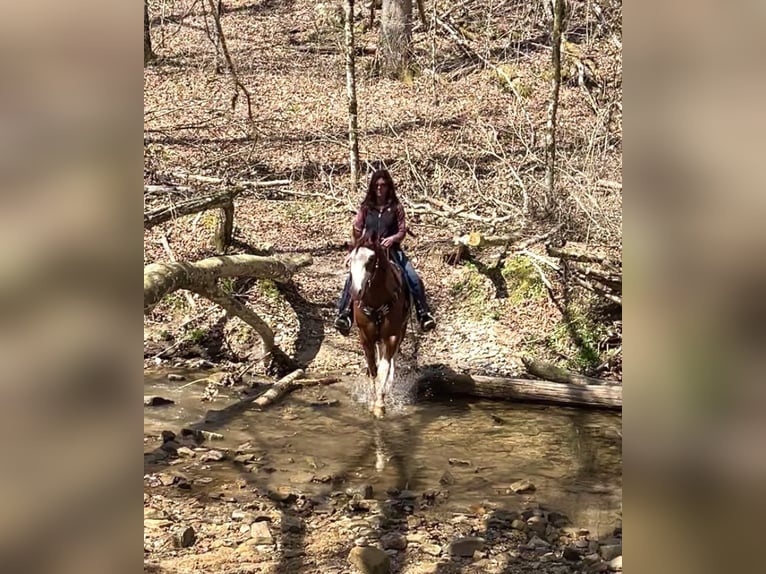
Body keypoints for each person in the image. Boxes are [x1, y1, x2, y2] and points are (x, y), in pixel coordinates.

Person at [334, 169, 436, 335]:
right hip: (369, 251)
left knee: (413, 278)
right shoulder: (366, 208)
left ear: (389, 187)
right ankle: (345, 314)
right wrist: (352, 252)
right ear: (372, 187)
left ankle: (423, 313)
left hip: (392, 251)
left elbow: (402, 231)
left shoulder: (396, 208)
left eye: (383, 185)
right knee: (352, 278)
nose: (379, 189)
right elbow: (357, 231)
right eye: (376, 185)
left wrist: (393, 238)